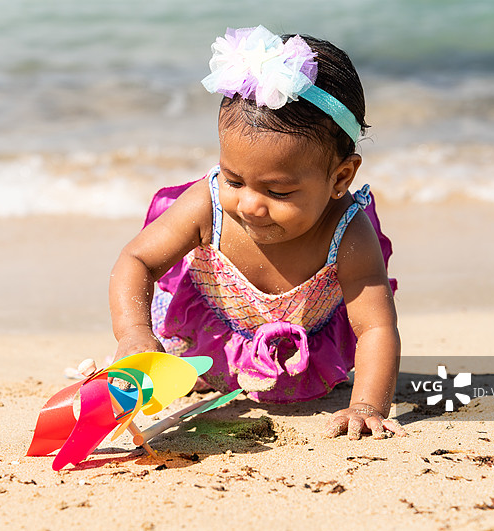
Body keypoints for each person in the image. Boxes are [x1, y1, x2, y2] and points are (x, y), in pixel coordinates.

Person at [108, 26, 405, 440]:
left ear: (341, 177)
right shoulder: (209, 205)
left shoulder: (347, 233)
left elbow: (376, 328)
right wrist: (135, 332)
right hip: (203, 338)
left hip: (300, 354)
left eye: (277, 191)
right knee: (184, 368)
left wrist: (367, 406)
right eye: (234, 179)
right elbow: (136, 260)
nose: (249, 204)